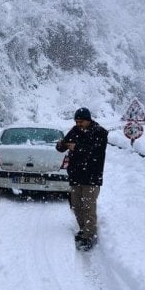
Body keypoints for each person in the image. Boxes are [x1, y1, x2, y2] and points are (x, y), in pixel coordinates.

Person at [56, 107, 108, 251]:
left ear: (88, 120)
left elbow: (95, 152)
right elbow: (62, 147)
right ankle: (83, 230)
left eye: (81, 122)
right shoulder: (74, 131)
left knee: (88, 207)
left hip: (91, 176)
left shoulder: (100, 132)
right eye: (76, 121)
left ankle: (89, 236)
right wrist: (61, 145)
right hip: (76, 176)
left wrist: (76, 147)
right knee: (76, 206)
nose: (78, 124)